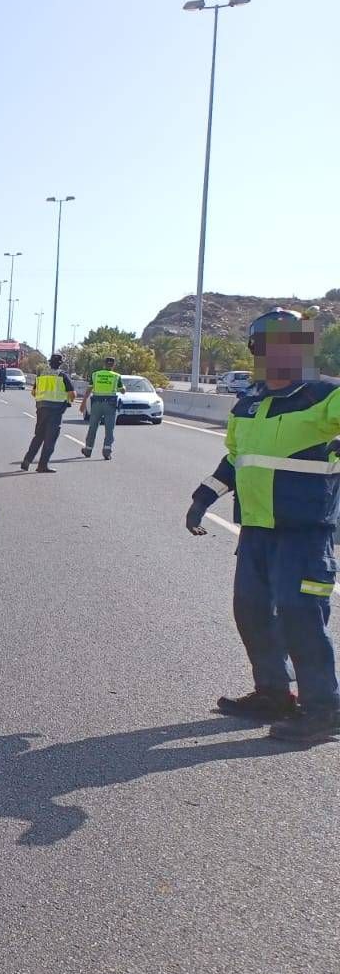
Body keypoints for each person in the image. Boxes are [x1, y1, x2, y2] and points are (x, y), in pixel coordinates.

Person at [187, 307, 340, 745]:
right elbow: (236, 459)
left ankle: (324, 709)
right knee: (252, 612)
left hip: (306, 532)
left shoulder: (325, 395)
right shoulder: (249, 403)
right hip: (256, 530)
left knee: (301, 615)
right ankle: (274, 694)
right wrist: (203, 498)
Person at [20, 353, 75, 473]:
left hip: (41, 408)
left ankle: (27, 460)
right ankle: (42, 465)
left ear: (49, 363)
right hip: (56, 410)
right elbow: (72, 394)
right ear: (60, 364)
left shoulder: (41, 375)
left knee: (38, 436)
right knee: (50, 439)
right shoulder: (63, 375)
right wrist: (68, 400)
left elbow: (33, 392)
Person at [80, 356, 121, 459]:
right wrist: (123, 388)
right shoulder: (116, 376)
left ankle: (88, 450)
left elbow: (89, 390)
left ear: (104, 364)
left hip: (97, 404)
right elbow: (122, 390)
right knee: (109, 428)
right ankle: (107, 451)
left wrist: (83, 403)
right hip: (110, 405)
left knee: (93, 427)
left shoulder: (95, 375)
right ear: (113, 365)